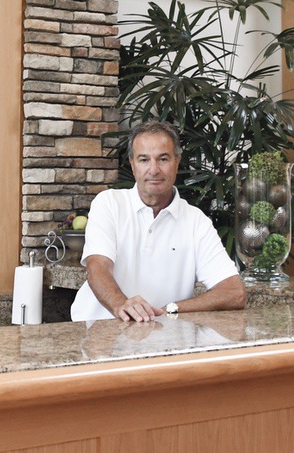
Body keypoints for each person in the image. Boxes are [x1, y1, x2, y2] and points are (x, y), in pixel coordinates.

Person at [70, 120, 245, 322]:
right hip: (98, 333)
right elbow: (97, 268)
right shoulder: (109, 203)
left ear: (177, 162)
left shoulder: (196, 221)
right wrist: (123, 306)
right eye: (144, 160)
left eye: (163, 159)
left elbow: (234, 291)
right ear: (132, 164)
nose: (153, 170)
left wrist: (170, 309)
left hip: (165, 338)